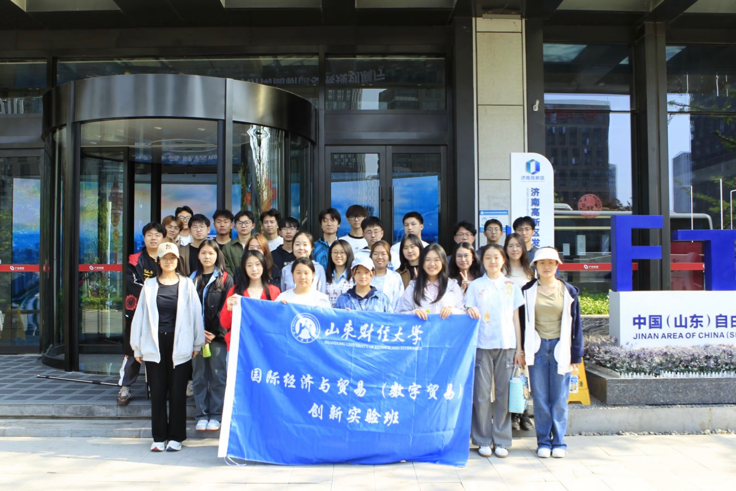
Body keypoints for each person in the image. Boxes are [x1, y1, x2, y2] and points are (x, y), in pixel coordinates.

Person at [129, 242, 204, 452]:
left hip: (180, 342)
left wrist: (197, 342)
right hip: (154, 344)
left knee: (178, 392)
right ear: (158, 261)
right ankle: (159, 437)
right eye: (165, 258)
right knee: (158, 392)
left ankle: (176, 437)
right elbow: (139, 317)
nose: (169, 262)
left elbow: (196, 314)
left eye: (172, 258)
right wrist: (137, 347)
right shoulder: (149, 285)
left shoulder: (187, 285)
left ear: (177, 260)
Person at [519, 247, 583, 459]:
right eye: (542, 263)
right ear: (535, 266)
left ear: (557, 265)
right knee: (540, 397)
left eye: (550, 263)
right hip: (536, 348)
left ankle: (559, 442)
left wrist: (576, 355)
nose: (546, 267)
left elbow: (577, 326)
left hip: (560, 347)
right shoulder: (527, 290)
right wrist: (521, 350)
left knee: (559, 397)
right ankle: (543, 442)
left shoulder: (569, 291)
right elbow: (521, 323)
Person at [466, 244, 525, 459]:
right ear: (482, 261)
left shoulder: (511, 285)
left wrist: (519, 348)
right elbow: (468, 312)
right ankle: (482, 439)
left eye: (496, 257)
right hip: (481, 345)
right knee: (481, 395)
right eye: (488, 258)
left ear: (503, 260)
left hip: (506, 344)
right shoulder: (475, 286)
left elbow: (516, 318)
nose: (492, 261)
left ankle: (501, 439)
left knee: (503, 394)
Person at [118, 222, 164, 406]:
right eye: (149, 235)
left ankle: (156, 386)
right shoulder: (134, 260)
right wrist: (156, 294)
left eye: (157, 235)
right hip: (138, 312)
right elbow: (132, 284)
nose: (153, 238)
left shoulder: (167, 258)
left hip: (162, 313)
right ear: (144, 238)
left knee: (158, 350)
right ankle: (125, 386)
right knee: (132, 350)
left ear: (163, 238)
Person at [190, 241, 233, 433]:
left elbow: (226, 308)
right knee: (199, 376)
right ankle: (201, 415)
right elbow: (187, 309)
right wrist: (198, 333)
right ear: (198, 255)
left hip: (216, 338)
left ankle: (216, 415)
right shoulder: (191, 278)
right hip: (196, 338)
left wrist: (214, 332)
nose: (207, 257)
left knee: (217, 376)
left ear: (217, 256)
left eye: (211, 253)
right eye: (203, 253)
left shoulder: (225, 279)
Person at [504, 232, 536, 432]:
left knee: (524, 369)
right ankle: (514, 414)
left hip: (528, 322)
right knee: (511, 368)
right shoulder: (501, 270)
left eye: (518, 245)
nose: (514, 249)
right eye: (510, 245)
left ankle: (524, 411)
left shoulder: (531, 271)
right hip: (509, 322)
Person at [220, 250, 282, 350]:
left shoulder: (274, 291)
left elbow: (278, 322)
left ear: (263, 266)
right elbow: (225, 324)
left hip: (265, 347)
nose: (254, 269)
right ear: (244, 268)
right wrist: (228, 309)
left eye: (258, 264)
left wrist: (283, 308)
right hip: (240, 346)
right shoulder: (235, 291)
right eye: (249, 265)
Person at [397, 243, 465, 318]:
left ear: (443, 262)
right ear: (422, 262)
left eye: (436, 260)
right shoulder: (413, 287)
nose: (432, 264)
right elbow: (400, 314)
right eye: (427, 260)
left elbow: (464, 313)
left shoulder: (452, 286)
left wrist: (452, 310)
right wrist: (413, 313)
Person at [369, 240, 404, 311]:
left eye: (383, 254)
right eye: (375, 254)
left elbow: (399, 301)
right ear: (371, 256)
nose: (379, 257)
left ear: (389, 257)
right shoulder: (365, 276)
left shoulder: (395, 277)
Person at [222, 210, 256, 278]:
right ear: (235, 226)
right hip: (235, 282)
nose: (243, 226)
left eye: (246, 222)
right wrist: (236, 280)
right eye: (240, 223)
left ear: (253, 225)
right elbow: (225, 267)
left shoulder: (259, 245)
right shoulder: (227, 247)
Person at [325, 239, 354, 306]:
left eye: (342, 252)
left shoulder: (354, 275)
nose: (338, 255)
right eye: (335, 252)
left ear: (348, 254)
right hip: (328, 312)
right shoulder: (325, 274)